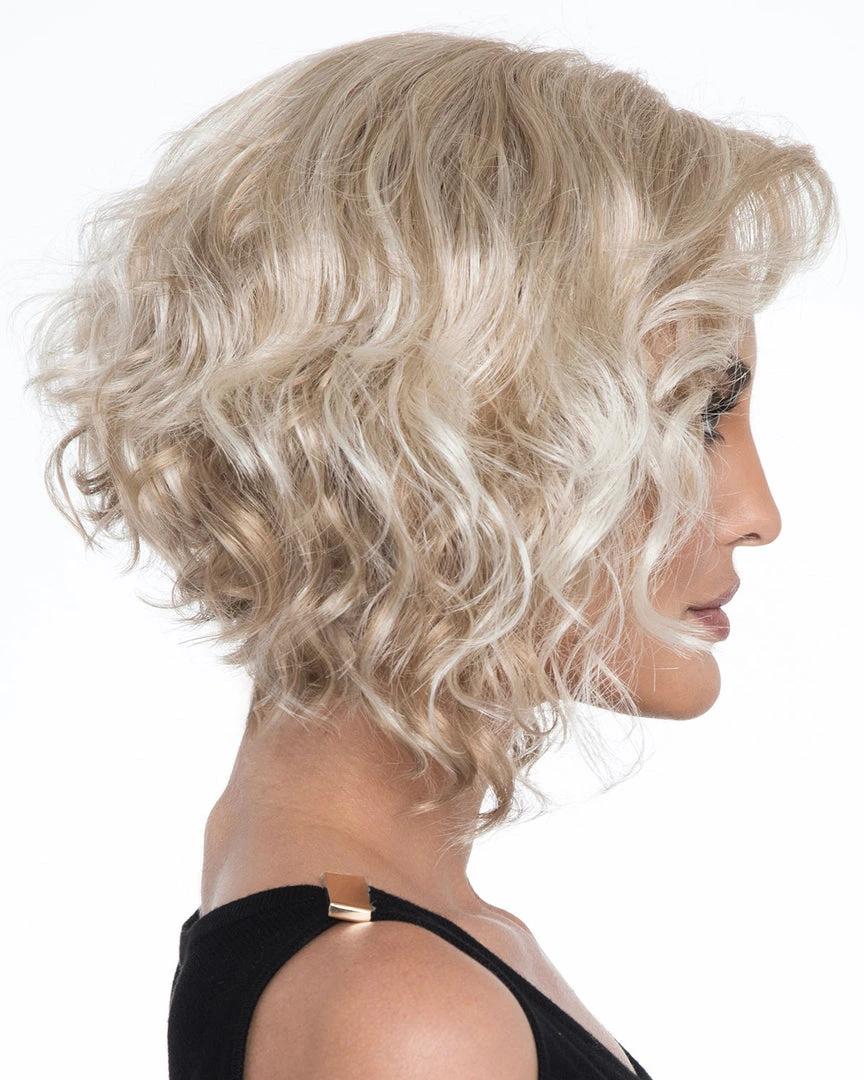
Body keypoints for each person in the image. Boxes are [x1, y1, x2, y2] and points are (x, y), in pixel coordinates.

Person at [23, 30, 837, 1080]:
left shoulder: (364, 923)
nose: (757, 513)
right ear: (457, 443)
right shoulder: (405, 1013)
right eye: (692, 414)